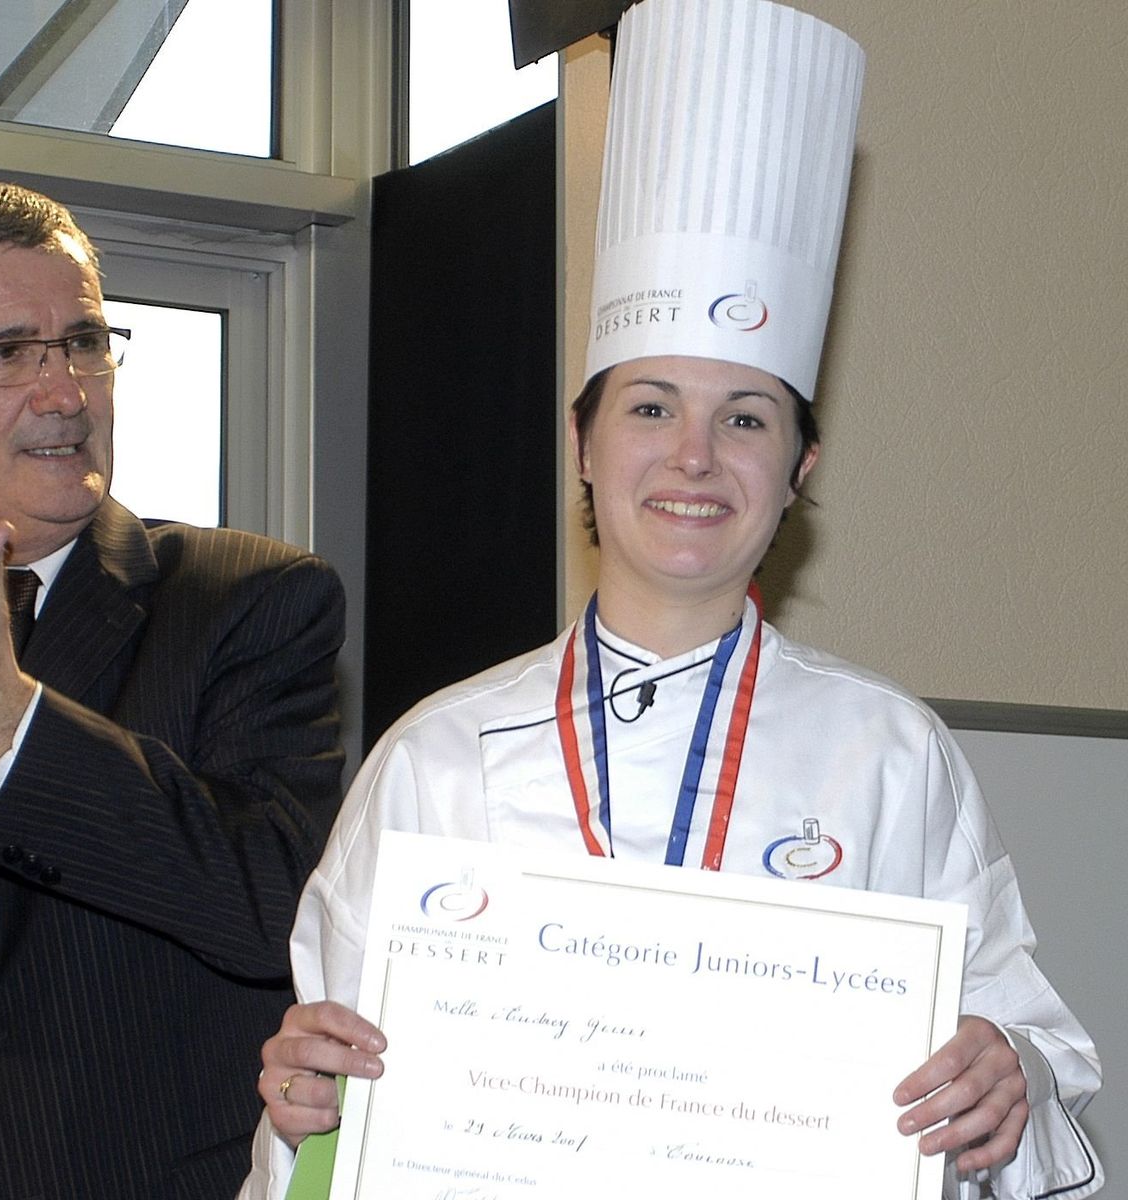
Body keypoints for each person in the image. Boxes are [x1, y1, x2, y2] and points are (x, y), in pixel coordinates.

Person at [239, 2, 1103, 1197]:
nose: (695, 455)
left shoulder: (890, 755)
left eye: (746, 417)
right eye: (650, 406)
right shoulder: (432, 760)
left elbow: (1042, 1079)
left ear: (800, 468)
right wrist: (305, 1105)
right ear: (582, 443)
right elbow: (326, 1142)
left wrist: (1010, 1073)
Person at [0, 179, 346, 1199]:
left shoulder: (251, 601)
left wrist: (8, 725)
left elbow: (273, 909)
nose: (65, 391)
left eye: (84, 342)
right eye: (6, 352)